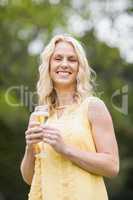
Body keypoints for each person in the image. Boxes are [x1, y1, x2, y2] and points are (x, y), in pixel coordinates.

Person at [20, 34, 119, 200]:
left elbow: (112, 166)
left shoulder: (93, 106)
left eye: (72, 59)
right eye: (58, 58)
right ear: (49, 66)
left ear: (79, 67)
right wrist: (30, 148)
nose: (64, 64)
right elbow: (30, 178)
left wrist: (65, 149)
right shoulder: (40, 116)